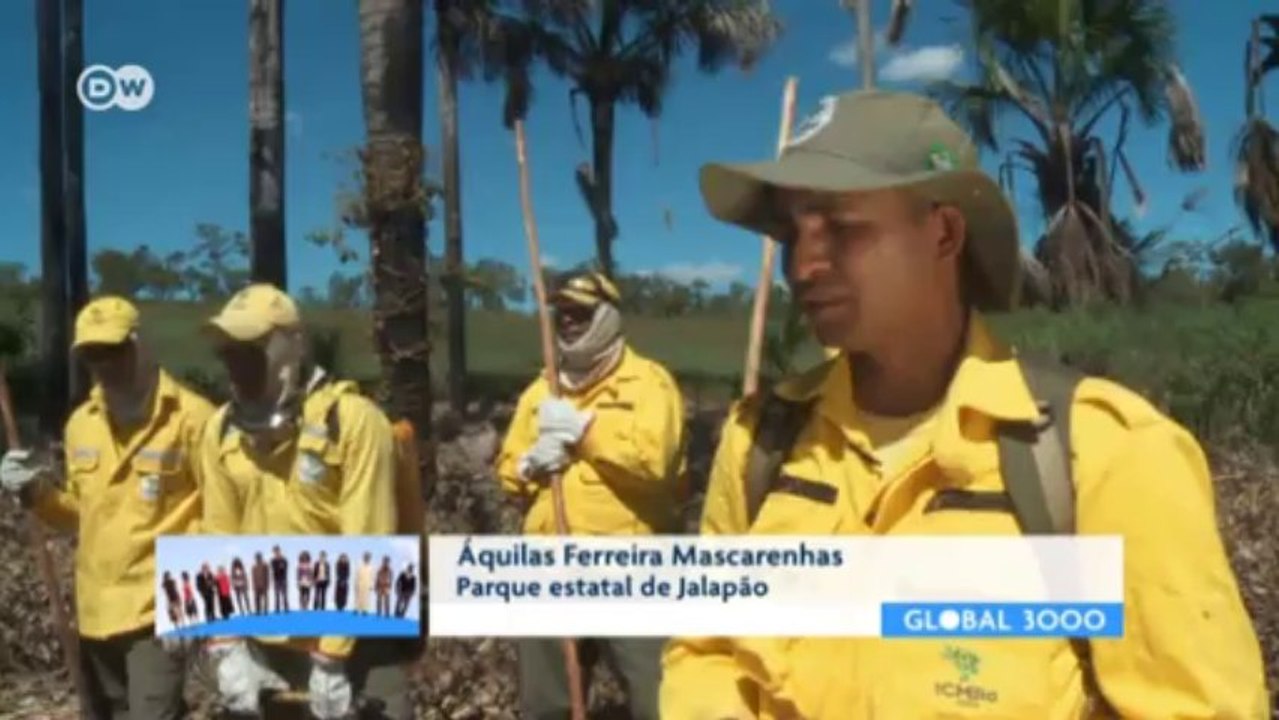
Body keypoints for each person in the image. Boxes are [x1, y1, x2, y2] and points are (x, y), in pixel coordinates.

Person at [658, 89, 1271, 720]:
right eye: (792, 233)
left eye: (841, 227)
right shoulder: (762, 440)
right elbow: (705, 650)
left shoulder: (1103, 453)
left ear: (945, 233)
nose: (804, 265)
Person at [196, 284, 412, 720]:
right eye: (228, 350)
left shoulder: (353, 421)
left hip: (359, 639)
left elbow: (369, 541)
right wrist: (226, 646)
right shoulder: (219, 431)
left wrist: (331, 657)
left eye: (251, 347)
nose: (237, 362)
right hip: (265, 644)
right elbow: (218, 539)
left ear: (291, 346)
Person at [0, 296, 213, 720]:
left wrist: (196, 604)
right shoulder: (82, 423)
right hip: (96, 608)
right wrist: (35, 492)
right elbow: (80, 514)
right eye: (93, 355)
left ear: (139, 345)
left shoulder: (193, 418)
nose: (104, 364)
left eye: (113, 351)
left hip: (160, 606)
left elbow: (221, 514)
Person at [494, 271, 685, 720]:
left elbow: (656, 465)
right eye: (563, 314)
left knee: (657, 696)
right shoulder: (542, 390)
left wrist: (586, 436)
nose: (569, 322)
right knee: (545, 702)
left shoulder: (648, 385)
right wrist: (530, 466)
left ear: (607, 316)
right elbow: (508, 470)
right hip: (547, 561)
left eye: (581, 313)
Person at [270, 545, 289, 613]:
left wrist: (280, 568)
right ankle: (277, 610)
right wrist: (279, 568)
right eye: (274, 552)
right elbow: (273, 570)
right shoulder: (272, 561)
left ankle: (286, 609)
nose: (276, 553)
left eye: (277, 551)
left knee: (284, 595)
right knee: (276, 595)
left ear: (280, 551)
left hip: (283, 579)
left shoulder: (284, 560)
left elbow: (285, 569)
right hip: (276, 580)